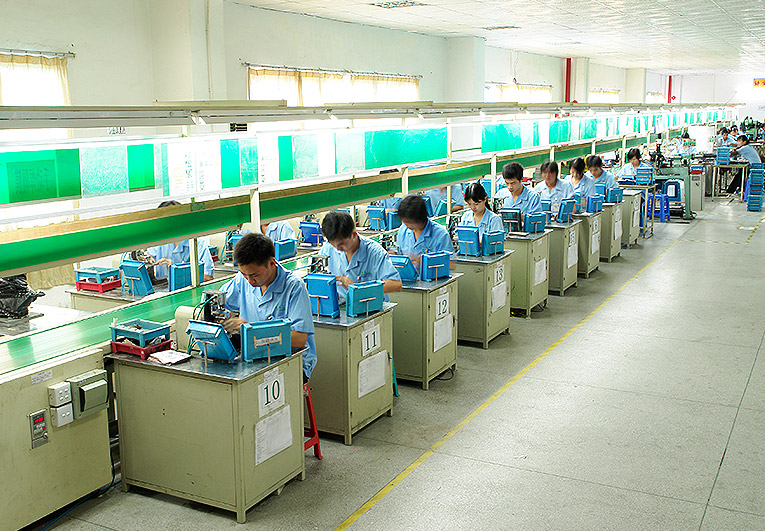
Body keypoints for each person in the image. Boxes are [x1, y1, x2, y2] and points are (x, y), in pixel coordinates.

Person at [219, 233, 316, 380]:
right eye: (244, 274)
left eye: (254, 275)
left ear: (271, 263)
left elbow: (299, 338)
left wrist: (251, 331)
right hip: (256, 357)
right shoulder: (242, 280)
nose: (249, 281)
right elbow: (219, 300)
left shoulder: (294, 287)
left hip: (292, 360)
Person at [320, 211, 402, 303]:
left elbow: (396, 284)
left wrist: (360, 290)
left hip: (371, 306)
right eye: (333, 245)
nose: (337, 249)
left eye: (341, 244)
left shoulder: (375, 253)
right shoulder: (328, 248)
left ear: (354, 235)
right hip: (342, 306)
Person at [147, 201, 214, 281]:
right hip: (163, 286)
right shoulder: (161, 241)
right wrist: (148, 260)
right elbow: (149, 256)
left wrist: (177, 272)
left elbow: (208, 277)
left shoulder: (198, 243)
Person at [395, 195, 454, 269]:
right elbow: (398, 253)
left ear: (420, 218)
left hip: (433, 275)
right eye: (403, 221)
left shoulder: (440, 234)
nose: (405, 224)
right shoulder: (403, 230)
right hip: (407, 275)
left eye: (408, 222)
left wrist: (424, 261)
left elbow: (451, 264)